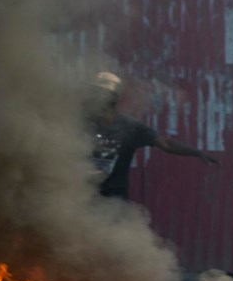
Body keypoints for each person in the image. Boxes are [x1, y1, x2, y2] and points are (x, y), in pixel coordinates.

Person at [85, 71, 219, 200]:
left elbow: (166, 144)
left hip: (114, 196)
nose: (96, 97)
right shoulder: (82, 123)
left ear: (114, 97)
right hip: (84, 194)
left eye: (102, 93)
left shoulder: (130, 127)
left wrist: (197, 152)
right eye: (95, 92)